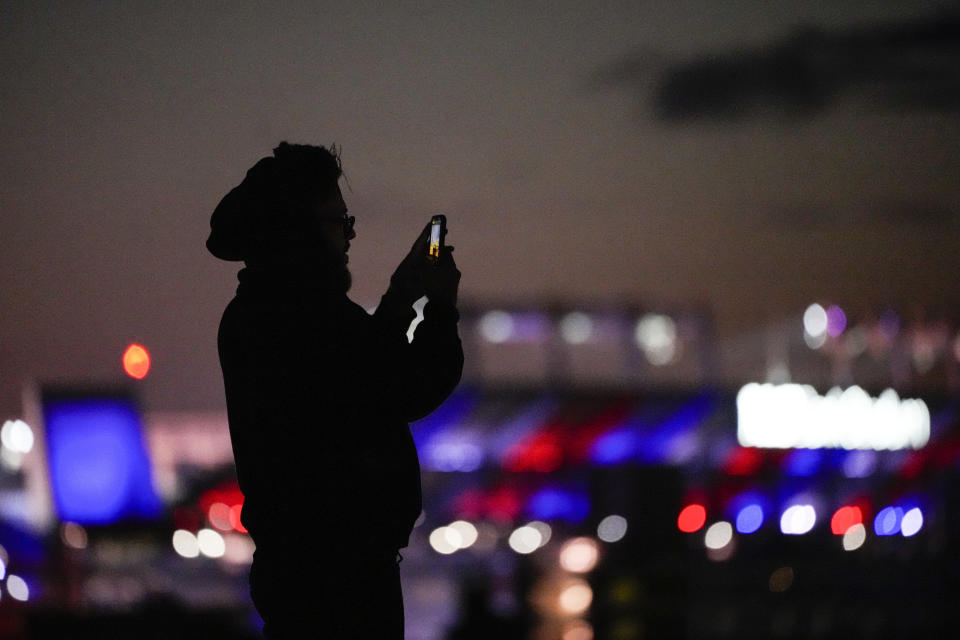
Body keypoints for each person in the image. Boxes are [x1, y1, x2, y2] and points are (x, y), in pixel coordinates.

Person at [206, 142, 463, 639]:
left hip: (304, 572)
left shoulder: (264, 311)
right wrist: (440, 309)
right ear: (301, 230)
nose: (349, 235)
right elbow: (409, 386)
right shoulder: (307, 317)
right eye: (338, 222)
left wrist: (402, 294)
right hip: (342, 578)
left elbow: (367, 375)